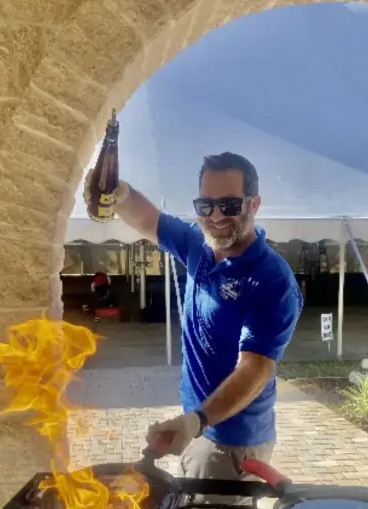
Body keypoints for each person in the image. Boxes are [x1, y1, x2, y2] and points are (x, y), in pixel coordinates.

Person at [84, 152, 303, 483]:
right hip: (198, 425)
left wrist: (198, 420)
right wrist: (119, 192)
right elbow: (148, 219)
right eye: (205, 205)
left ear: (254, 204)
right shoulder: (198, 246)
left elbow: (256, 368)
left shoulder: (272, 280)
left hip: (232, 441)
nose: (215, 216)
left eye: (229, 205)